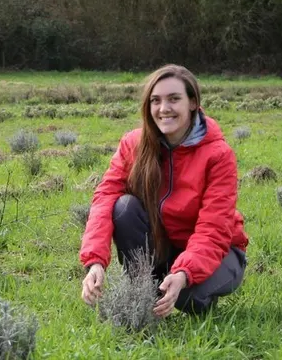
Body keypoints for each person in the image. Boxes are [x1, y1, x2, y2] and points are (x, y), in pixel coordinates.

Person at [80, 64, 249, 317]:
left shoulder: (218, 155)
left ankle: (189, 292)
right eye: (155, 100)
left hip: (220, 251)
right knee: (123, 207)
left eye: (174, 99)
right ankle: (145, 294)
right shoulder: (133, 144)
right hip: (163, 245)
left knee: (187, 296)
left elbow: (214, 229)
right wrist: (95, 262)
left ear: (193, 103)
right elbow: (104, 199)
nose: (163, 109)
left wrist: (184, 273)